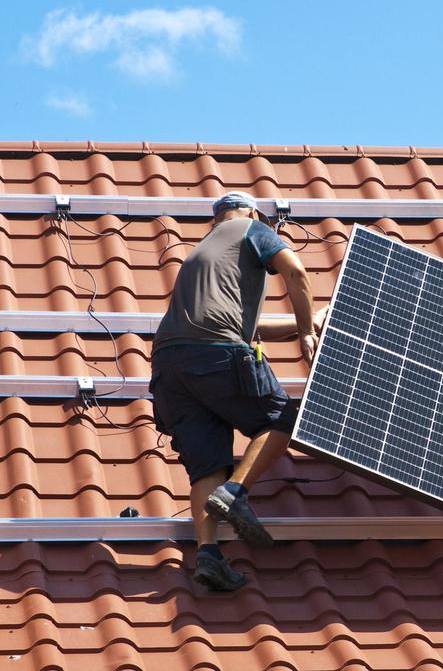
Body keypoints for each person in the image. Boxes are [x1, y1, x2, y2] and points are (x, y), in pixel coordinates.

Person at [149, 191, 317, 592]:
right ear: (253, 213)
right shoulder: (252, 229)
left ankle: (208, 555)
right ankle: (235, 493)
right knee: (283, 418)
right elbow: (296, 273)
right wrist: (308, 331)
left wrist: (303, 321)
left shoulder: (204, 254)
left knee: (208, 465)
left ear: (214, 220)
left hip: (171, 366)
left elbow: (246, 327)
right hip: (215, 354)